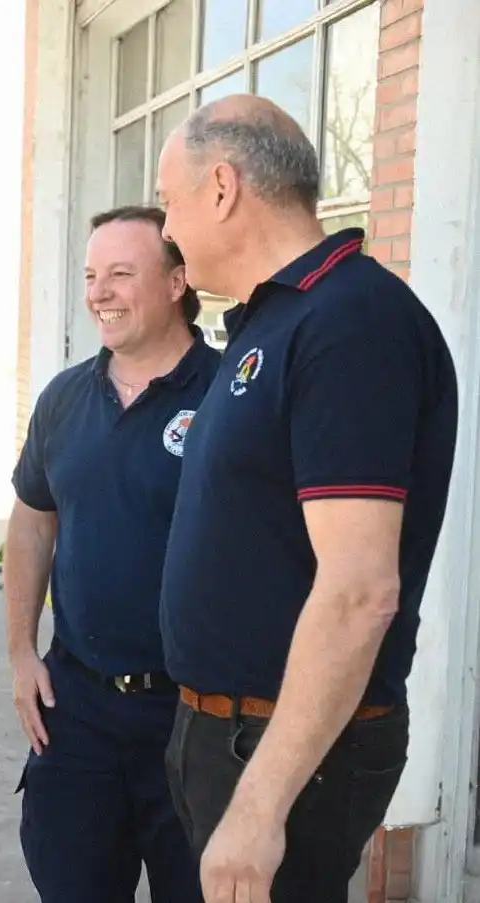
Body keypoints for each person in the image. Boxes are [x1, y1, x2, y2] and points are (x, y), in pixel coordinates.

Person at [155, 95, 458, 903]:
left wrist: (260, 806)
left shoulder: (351, 323)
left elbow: (360, 589)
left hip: (280, 754)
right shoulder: (276, 321)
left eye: (169, 201)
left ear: (222, 187)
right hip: (229, 734)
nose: (167, 229)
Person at [6, 206, 218, 903]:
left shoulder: (229, 396)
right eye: (92, 275)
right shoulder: (65, 398)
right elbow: (32, 521)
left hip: (196, 716)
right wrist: (20, 652)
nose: (100, 293)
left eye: (121, 274)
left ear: (177, 282)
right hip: (77, 707)